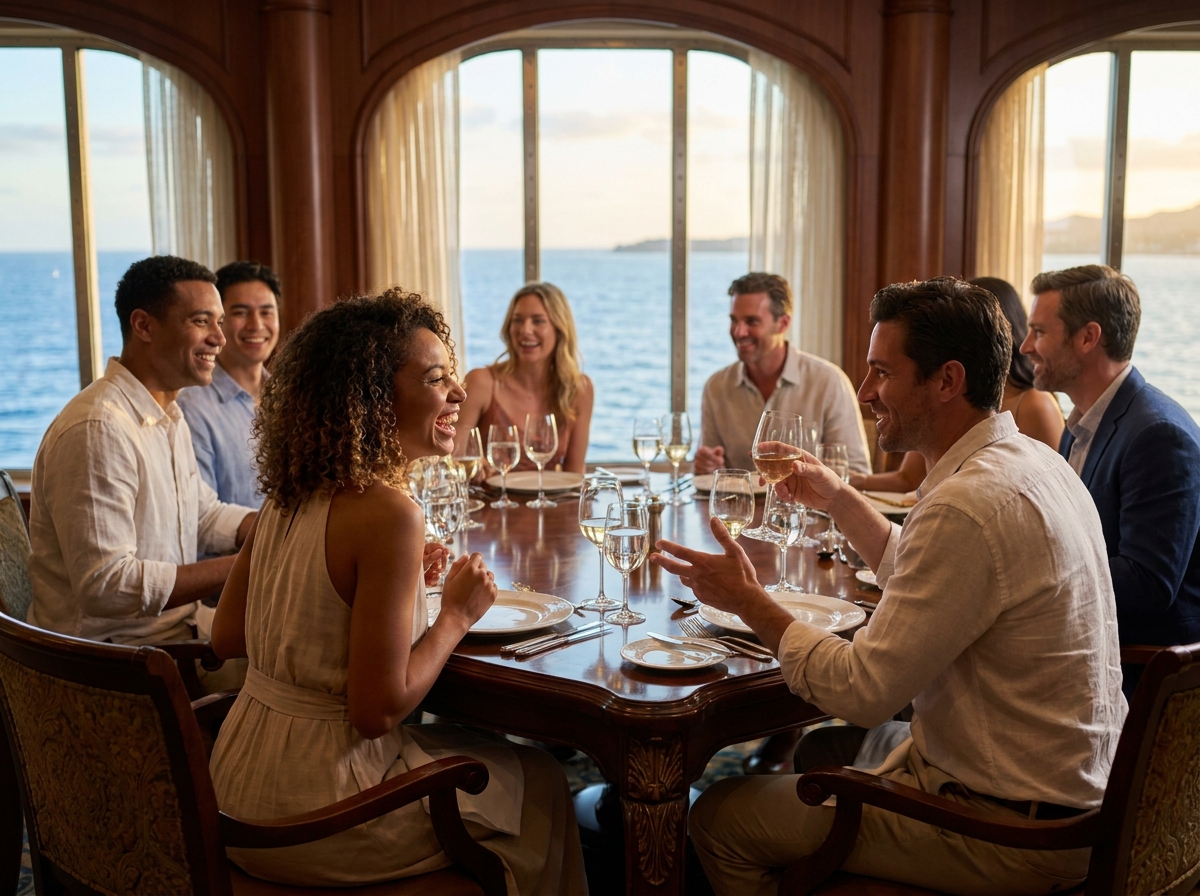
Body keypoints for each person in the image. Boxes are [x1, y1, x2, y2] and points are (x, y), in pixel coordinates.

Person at [653, 277, 1125, 894]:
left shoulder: (968, 505)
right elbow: (936, 579)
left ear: (947, 381)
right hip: (1079, 798)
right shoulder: (1035, 465)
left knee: (718, 815)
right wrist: (841, 498)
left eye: (882, 372)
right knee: (825, 754)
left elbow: (862, 690)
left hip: (1010, 832)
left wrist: (751, 603)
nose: (865, 391)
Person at [208, 290, 587, 893]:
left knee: (488, 753)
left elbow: (229, 636)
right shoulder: (391, 513)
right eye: (437, 380)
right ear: (374, 399)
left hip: (234, 791)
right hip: (316, 813)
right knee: (539, 778)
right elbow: (375, 711)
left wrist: (397, 582)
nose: (460, 395)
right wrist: (455, 617)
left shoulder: (290, 491)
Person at [26, 255, 257, 647]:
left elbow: (201, 513)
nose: (219, 338)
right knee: (308, 679)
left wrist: (275, 528)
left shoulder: (167, 412)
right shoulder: (99, 428)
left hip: (175, 634)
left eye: (218, 322)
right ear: (143, 325)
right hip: (117, 664)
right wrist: (251, 564)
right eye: (201, 321)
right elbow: (107, 585)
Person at [1021, 264, 1200, 698]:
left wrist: (1027, 573)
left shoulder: (1159, 435)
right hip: (1091, 650)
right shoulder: (1080, 423)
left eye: (1039, 332)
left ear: (1087, 338)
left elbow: (1147, 583)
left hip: (1139, 679)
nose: (1026, 347)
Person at [850, 275, 1064, 493]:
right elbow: (909, 478)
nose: (863, 394)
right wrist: (841, 492)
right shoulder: (930, 419)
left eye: (884, 372)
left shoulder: (1035, 406)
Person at [693, 272, 871, 476]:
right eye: (734, 320)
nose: (739, 332)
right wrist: (707, 467)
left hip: (808, 508)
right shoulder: (716, 387)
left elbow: (855, 473)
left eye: (751, 322)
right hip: (742, 507)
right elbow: (710, 472)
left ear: (783, 323)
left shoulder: (829, 382)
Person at [455, 282, 593, 473]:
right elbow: (454, 458)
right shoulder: (481, 382)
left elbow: (574, 474)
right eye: (517, 320)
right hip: (490, 501)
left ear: (559, 329)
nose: (525, 330)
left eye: (538, 321)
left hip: (551, 502)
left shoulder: (579, 388)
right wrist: (474, 467)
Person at [177, 260, 281, 507]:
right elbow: (200, 517)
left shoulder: (293, 397)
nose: (256, 325)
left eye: (266, 312)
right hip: (238, 546)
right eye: (241, 313)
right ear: (218, 319)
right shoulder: (192, 409)